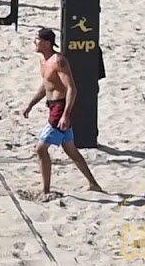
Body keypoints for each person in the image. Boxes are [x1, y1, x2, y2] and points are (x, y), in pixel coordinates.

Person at [21, 28, 104, 198]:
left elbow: (72, 88)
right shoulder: (43, 61)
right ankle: (93, 184)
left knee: (41, 149)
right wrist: (31, 104)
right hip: (52, 107)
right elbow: (46, 86)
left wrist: (66, 114)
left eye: (36, 39)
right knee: (70, 150)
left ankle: (45, 191)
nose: (34, 42)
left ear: (46, 42)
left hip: (60, 108)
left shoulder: (59, 61)